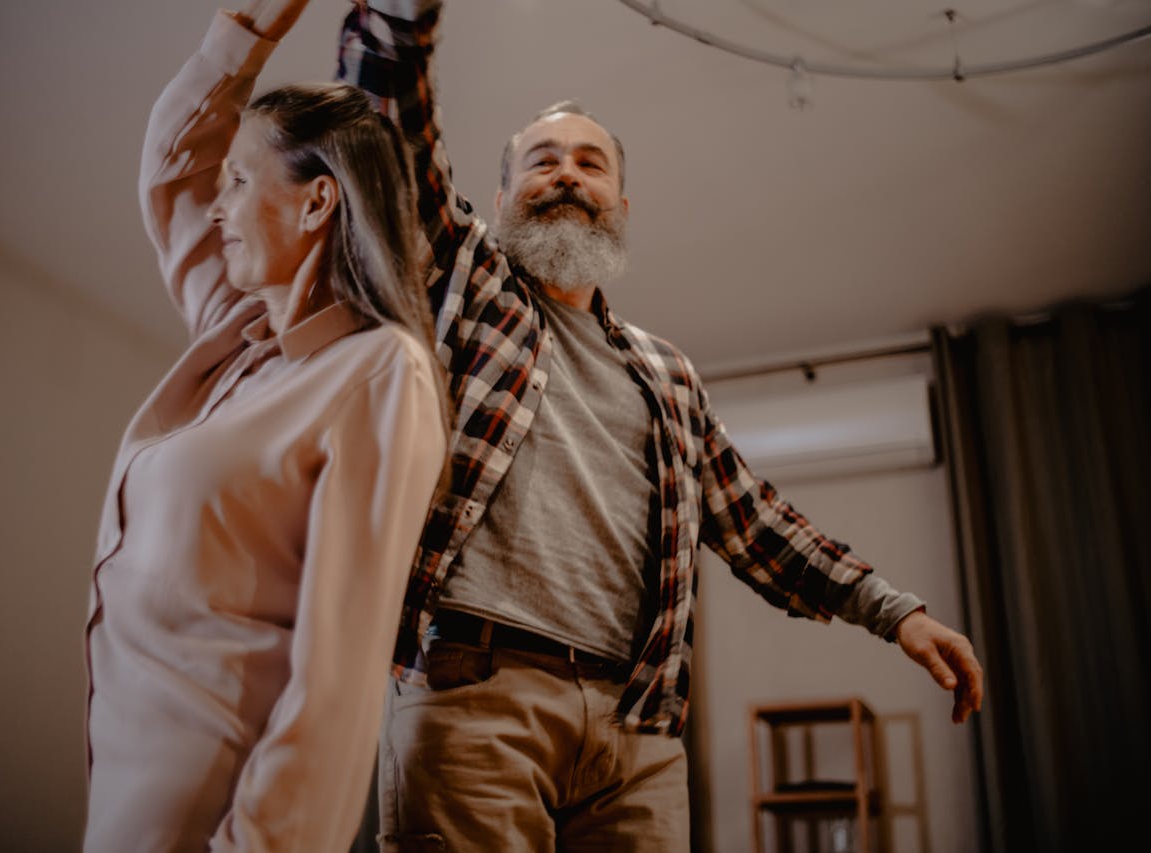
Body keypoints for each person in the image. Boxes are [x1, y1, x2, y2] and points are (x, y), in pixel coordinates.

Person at [332, 1, 979, 849]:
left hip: (638, 729)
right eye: (542, 161)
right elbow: (393, 139)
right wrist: (398, 19)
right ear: (499, 198)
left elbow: (757, 521)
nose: (567, 175)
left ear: (621, 202)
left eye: (590, 163)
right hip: (473, 691)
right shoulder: (469, 285)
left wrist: (896, 613)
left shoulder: (668, 373)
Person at [81, 1, 449, 849]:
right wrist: (246, 24)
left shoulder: (378, 371)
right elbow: (171, 173)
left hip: (216, 816)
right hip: (120, 801)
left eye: (240, 183)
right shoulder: (235, 340)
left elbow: (338, 683)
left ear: (318, 203)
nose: (217, 209)